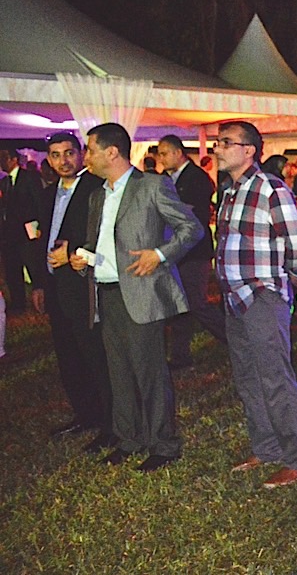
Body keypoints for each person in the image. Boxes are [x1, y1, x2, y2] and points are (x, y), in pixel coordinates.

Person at [70, 123, 203, 473]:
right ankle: (129, 439)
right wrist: (83, 259)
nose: (86, 157)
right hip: (106, 292)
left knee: (149, 373)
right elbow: (99, 243)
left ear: (111, 152)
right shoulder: (98, 195)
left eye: (90, 149)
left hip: (142, 292)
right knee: (119, 373)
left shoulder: (152, 185)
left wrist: (159, 254)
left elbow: (192, 228)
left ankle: (164, 444)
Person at [212, 121, 297, 489]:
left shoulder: (269, 188)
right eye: (218, 142)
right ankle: (267, 447)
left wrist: (292, 270)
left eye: (226, 142)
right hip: (234, 297)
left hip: (261, 295)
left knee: (274, 378)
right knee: (248, 377)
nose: (218, 148)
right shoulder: (229, 191)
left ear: (248, 150)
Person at [33, 132, 113, 450]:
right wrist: (40, 283)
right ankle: (85, 414)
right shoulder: (47, 194)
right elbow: (40, 240)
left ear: (81, 154)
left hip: (84, 285)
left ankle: (110, 424)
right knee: (68, 356)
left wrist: (74, 253)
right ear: (48, 160)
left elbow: (104, 235)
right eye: (55, 155)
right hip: (56, 287)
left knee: (95, 355)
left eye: (68, 153)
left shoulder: (96, 189)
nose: (63, 161)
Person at [156, 135, 227, 370]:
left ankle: (235, 340)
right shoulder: (167, 178)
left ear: (178, 152)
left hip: (194, 251)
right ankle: (180, 356)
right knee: (180, 305)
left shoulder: (197, 178)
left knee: (196, 303)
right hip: (177, 250)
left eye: (164, 153)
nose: (161, 159)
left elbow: (193, 214)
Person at [0, 149, 44, 314]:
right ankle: (18, 303)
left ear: (13, 159)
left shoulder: (29, 178)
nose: (2, 162)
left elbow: (38, 201)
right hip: (9, 235)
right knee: (12, 270)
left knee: (34, 267)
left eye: (4, 158)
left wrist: (40, 226)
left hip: (27, 233)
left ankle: (41, 300)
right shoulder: (5, 182)